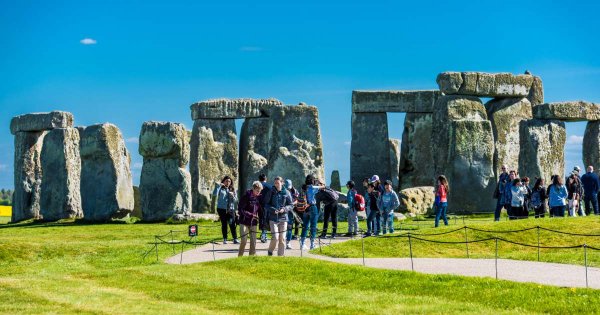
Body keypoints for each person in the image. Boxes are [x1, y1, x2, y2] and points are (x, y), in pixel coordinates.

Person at [264, 176, 294, 256]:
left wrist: (284, 209)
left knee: (282, 238)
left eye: (278, 183)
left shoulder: (287, 192)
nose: (276, 184)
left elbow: (291, 205)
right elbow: (266, 204)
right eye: (275, 183)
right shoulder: (271, 192)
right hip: (273, 218)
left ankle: (280, 256)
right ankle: (270, 251)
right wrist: (273, 209)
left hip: (284, 218)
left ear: (282, 183)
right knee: (275, 237)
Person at [300, 175, 326, 250]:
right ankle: (312, 244)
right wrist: (319, 182)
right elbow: (323, 187)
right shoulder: (312, 187)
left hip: (305, 208)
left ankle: (302, 244)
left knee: (305, 226)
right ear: (312, 180)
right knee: (313, 226)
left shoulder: (303, 188)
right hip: (312, 207)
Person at [237, 181, 263, 256]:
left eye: (260, 190)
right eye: (257, 190)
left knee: (253, 242)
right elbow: (241, 209)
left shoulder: (259, 199)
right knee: (244, 241)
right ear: (253, 189)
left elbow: (260, 211)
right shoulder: (246, 196)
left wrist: (262, 221)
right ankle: (239, 257)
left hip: (254, 223)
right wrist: (251, 215)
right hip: (244, 222)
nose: (259, 192)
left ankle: (251, 258)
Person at [212, 176, 238, 244]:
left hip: (231, 209)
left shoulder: (232, 189)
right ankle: (225, 239)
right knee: (224, 224)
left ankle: (235, 238)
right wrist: (218, 186)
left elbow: (236, 200)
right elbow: (214, 194)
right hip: (221, 208)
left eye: (229, 181)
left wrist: (233, 196)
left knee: (232, 223)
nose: (228, 182)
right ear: (223, 181)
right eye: (226, 181)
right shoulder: (220, 188)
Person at [285, 179, 300, 249]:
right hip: (283, 212)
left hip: (291, 212)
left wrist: (292, 203)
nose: (288, 188)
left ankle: (288, 243)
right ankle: (281, 241)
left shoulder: (295, 191)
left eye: (289, 187)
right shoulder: (281, 190)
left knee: (289, 227)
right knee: (282, 228)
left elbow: (297, 200)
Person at [258, 174, 272, 243]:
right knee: (265, 220)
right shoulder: (270, 186)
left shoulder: (256, 186)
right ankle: (264, 235)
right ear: (265, 178)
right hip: (266, 205)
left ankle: (263, 234)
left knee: (261, 219)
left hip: (257, 205)